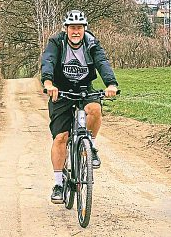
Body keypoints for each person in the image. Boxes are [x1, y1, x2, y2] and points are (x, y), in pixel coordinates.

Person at [41, 10, 119, 204]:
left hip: (85, 88)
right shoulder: (56, 42)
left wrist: (111, 84)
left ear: (85, 29)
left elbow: (102, 62)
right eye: (72, 28)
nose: (76, 31)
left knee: (95, 109)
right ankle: (59, 183)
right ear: (66, 29)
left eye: (79, 28)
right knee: (61, 137)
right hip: (61, 90)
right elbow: (48, 61)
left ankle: (90, 145)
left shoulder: (92, 43)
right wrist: (49, 83)